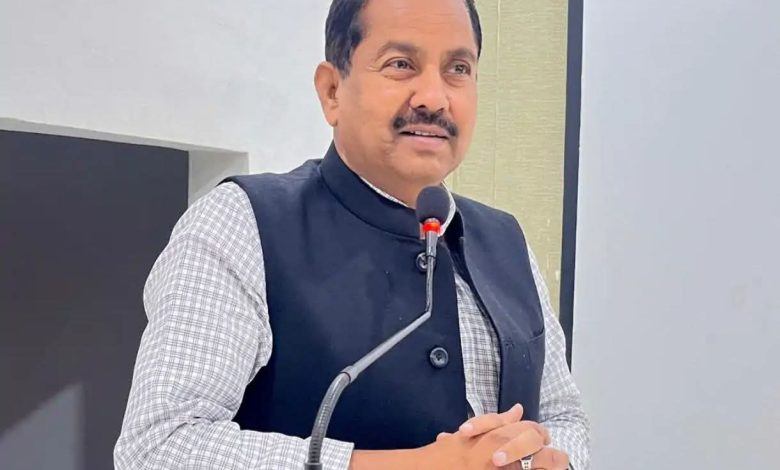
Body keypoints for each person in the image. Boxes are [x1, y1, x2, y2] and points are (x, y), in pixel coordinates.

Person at [114, 0, 590, 468]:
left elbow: (564, 416)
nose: (434, 98)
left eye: (458, 69)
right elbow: (158, 448)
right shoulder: (242, 222)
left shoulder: (507, 241)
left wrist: (547, 460)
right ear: (332, 91)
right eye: (401, 64)